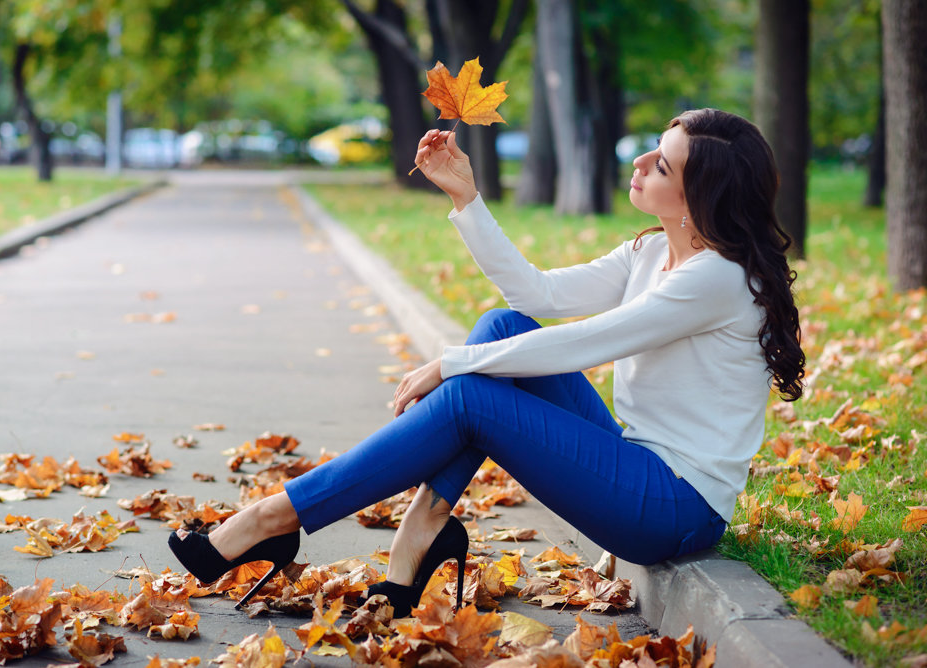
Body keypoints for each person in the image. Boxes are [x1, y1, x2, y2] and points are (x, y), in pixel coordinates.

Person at [169, 107, 806, 618]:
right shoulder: (649, 253)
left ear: (698, 197)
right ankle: (425, 526)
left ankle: (272, 518)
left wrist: (451, 363)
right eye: (652, 148)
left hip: (673, 507)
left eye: (662, 164)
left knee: (474, 391)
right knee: (504, 328)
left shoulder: (716, 279)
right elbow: (536, 297)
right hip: (635, 459)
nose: (640, 162)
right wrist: (466, 198)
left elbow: (584, 342)